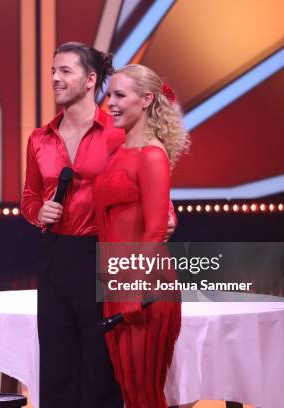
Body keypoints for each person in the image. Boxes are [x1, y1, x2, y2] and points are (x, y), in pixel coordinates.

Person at [20, 42, 175, 407]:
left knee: (102, 365)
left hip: (101, 254)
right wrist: (37, 211)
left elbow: (151, 186)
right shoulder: (39, 139)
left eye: (65, 71)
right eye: (52, 71)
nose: (55, 79)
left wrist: (167, 214)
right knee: (57, 364)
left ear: (91, 80)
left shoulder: (117, 132)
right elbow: (28, 197)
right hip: (55, 256)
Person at [93, 64, 190, 408]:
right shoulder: (118, 153)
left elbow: (153, 230)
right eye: (109, 96)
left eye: (120, 95)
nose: (111, 104)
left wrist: (134, 288)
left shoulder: (151, 154)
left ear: (147, 99)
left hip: (146, 287)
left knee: (146, 394)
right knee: (131, 393)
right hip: (116, 284)